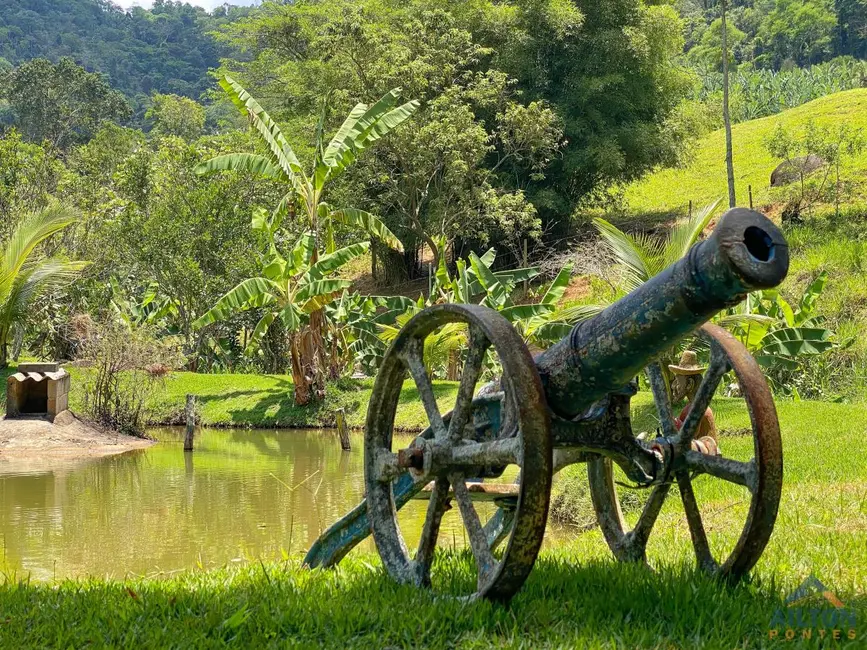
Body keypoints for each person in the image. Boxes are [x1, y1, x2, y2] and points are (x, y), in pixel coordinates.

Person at [668, 350, 720, 455]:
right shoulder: (692, 407)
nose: (673, 386)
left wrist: (675, 423)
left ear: (689, 385)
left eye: (678, 381)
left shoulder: (698, 410)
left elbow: (687, 436)